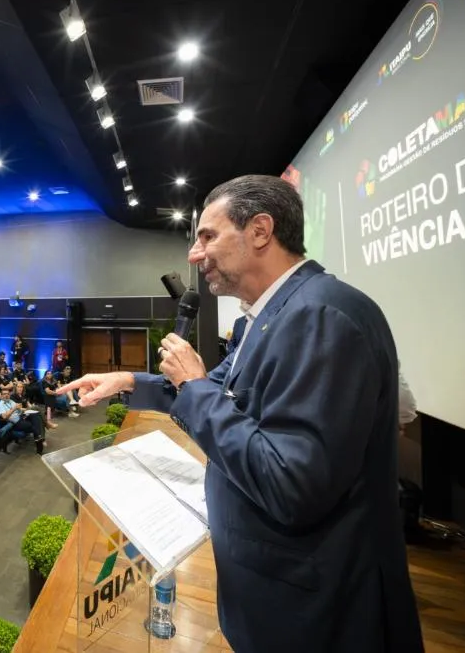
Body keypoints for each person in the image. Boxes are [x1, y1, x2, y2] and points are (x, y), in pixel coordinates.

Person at [57, 174, 424, 653]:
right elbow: (210, 395)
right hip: (272, 597)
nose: (194, 253)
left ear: (260, 231)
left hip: (314, 615)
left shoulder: (321, 317)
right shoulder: (271, 315)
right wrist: (128, 381)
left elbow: (291, 484)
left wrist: (192, 382)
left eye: (208, 236)